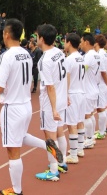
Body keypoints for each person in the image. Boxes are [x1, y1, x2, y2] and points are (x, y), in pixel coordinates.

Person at [0, 19, 62, 195]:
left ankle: (16, 190)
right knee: (21, 136)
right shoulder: (26, 53)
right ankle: (47, 145)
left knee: (12, 149)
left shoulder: (6, 55)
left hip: (13, 107)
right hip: (26, 105)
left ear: (7, 34)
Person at [34, 24, 69, 180]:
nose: (35, 39)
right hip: (61, 99)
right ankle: (62, 161)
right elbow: (65, 75)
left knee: (49, 135)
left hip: (51, 103)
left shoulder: (45, 60)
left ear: (41, 38)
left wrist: (53, 109)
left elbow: (50, 87)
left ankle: (53, 170)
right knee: (59, 130)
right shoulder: (59, 53)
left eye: (36, 36)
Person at [64, 33, 85, 164]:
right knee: (80, 121)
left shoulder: (69, 59)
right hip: (82, 92)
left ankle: (73, 154)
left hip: (72, 93)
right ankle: (79, 148)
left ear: (70, 43)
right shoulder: (81, 58)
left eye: (65, 42)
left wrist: (65, 94)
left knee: (72, 124)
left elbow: (67, 78)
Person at [80, 33, 101, 149]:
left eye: (81, 41)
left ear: (86, 42)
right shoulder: (95, 54)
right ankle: (91, 136)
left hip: (88, 89)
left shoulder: (89, 56)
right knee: (90, 114)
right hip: (93, 88)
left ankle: (88, 139)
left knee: (86, 115)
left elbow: (82, 70)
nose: (80, 44)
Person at [94, 35, 107, 139]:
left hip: (101, 84)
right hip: (102, 84)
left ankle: (102, 131)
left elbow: (103, 71)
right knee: (102, 107)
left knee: (101, 108)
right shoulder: (103, 53)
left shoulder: (100, 54)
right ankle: (102, 130)